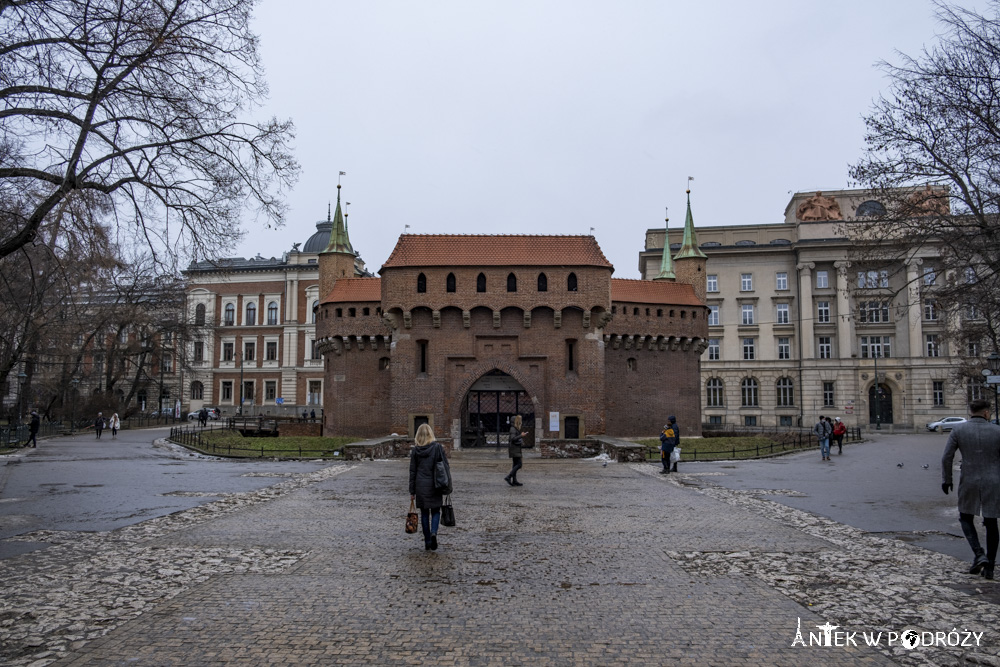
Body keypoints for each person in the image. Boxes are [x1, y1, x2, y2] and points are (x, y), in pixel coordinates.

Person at [942, 399, 1000, 579]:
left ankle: (978, 553)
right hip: (994, 480)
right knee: (991, 522)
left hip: (969, 479)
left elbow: (947, 457)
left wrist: (947, 480)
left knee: (965, 517)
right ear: (986, 413)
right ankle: (989, 566)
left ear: (971, 411)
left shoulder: (959, 430)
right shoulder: (997, 431)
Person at [409, 423, 451, 551]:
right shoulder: (437, 448)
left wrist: (412, 491)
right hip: (435, 484)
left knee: (425, 514)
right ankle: (434, 532)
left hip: (421, 486)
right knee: (436, 511)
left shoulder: (415, 451)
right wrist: (447, 484)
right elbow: (445, 467)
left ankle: (427, 540)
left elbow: (412, 472)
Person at [504, 415, 526, 486]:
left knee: (515, 465)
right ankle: (509, 476)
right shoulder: (513, 429)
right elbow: (513, 438)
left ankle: (514, 480)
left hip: (516, 448)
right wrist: (521, 436)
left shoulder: (515, 429)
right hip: (514, 449)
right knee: (519, 464)